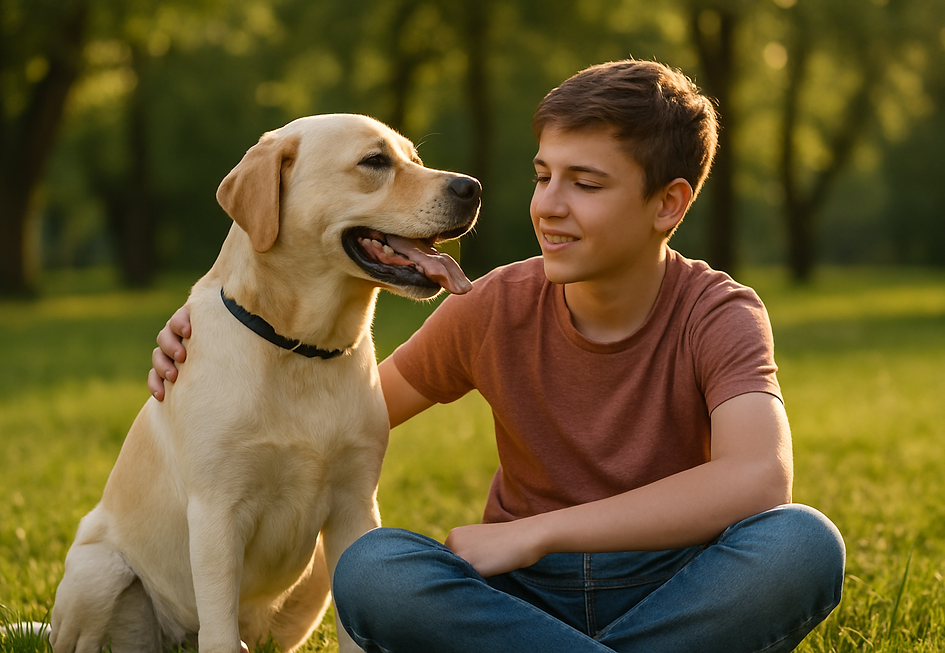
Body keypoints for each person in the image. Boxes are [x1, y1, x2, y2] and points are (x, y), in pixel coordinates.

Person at [149, 60, 844, 652]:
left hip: (676, 581)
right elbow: (341, 412)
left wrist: (538, 533)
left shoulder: (718, 311)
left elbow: (757, 480)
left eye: (585, 184)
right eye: (544, 176)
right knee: (374, 568)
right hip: (518, 601)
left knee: (802, 544)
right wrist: (223, 334)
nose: (548, 205)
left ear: (668, 203)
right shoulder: (495, 304)